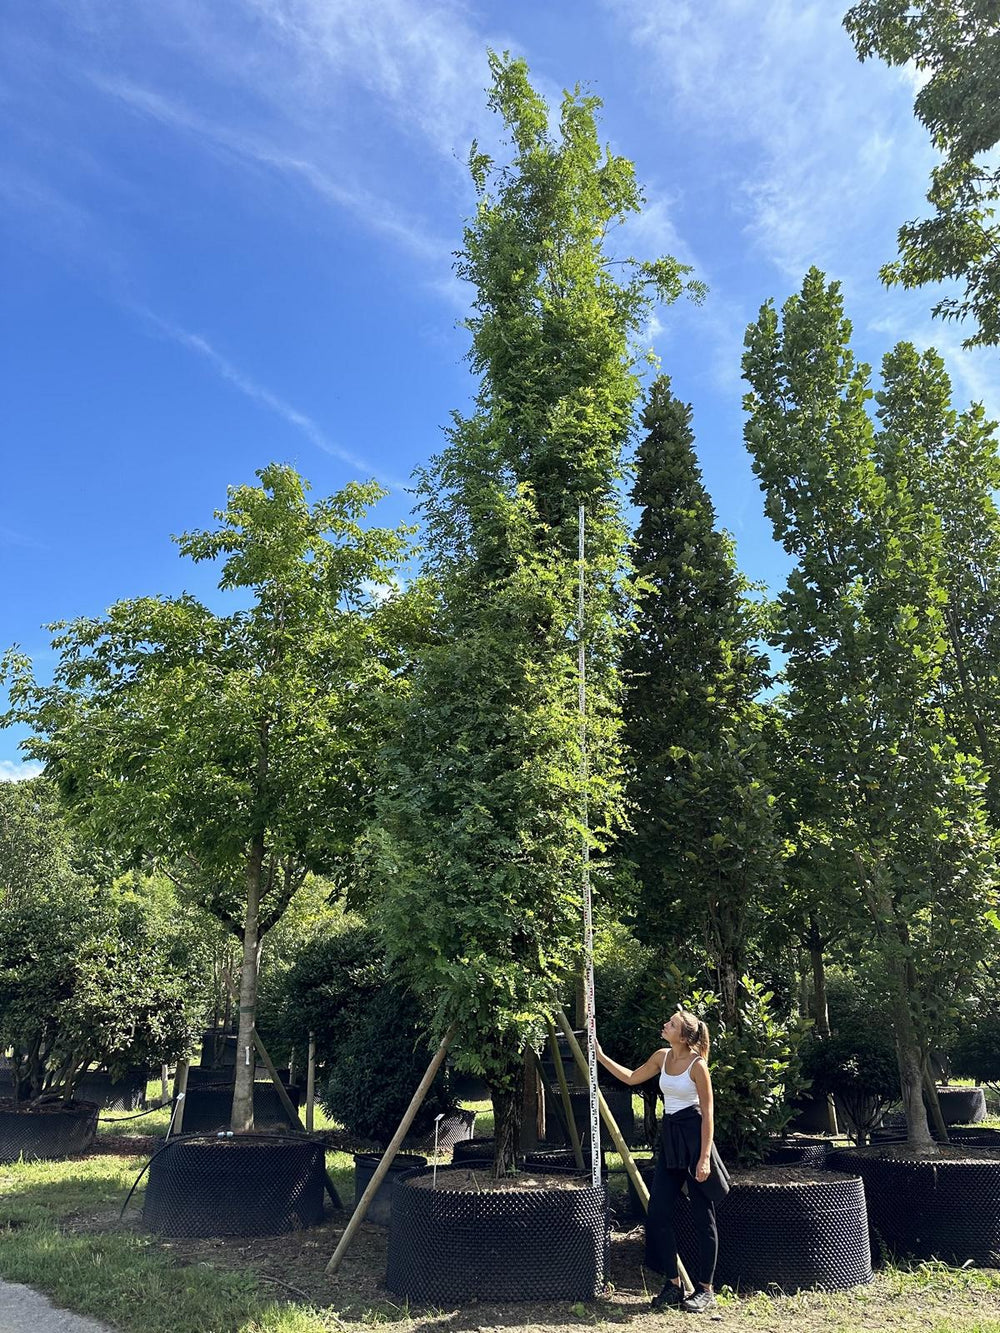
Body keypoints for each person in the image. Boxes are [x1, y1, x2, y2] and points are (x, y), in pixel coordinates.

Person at [596, 1009, 719, 1314]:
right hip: (671, 1139)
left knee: (704, 1217)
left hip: (694, 1138)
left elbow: (708, 1115)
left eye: (672, 1024)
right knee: (658, 1213)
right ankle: (674, 1284)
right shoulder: (661, 1056)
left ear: (685, 1035)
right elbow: (630, 1077)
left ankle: (706, 1289)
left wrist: (704, 1158)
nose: (665, 1025)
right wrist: (599, 1056)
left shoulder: (697, 1066)